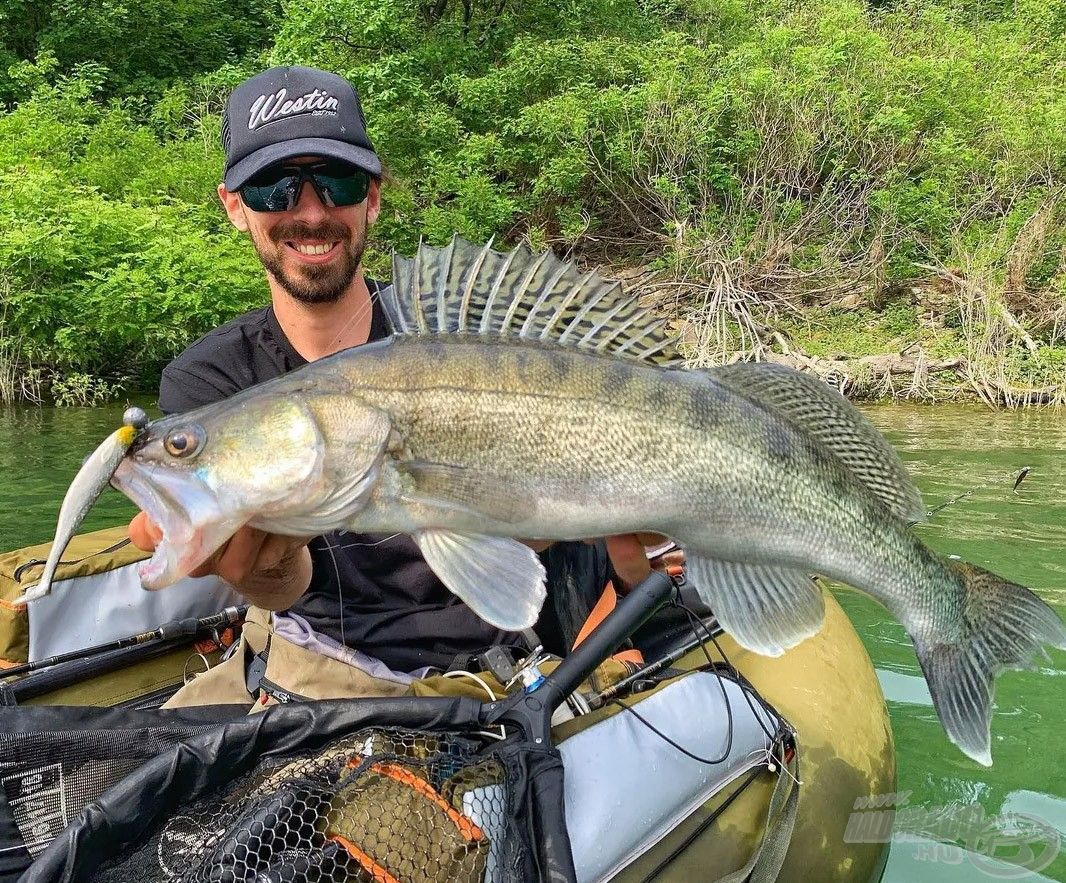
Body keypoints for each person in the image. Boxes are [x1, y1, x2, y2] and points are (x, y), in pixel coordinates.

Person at [128, 66, 681, 698]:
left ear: (372, 196)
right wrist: (265, 571)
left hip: (502, 664)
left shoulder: (462, 333)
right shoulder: (211, 381)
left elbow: (551, 536)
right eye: (274, 188)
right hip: (319, 673)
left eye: (337, 181)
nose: (310, 213)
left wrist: (628, 571)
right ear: (234, 205)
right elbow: (281, 583)